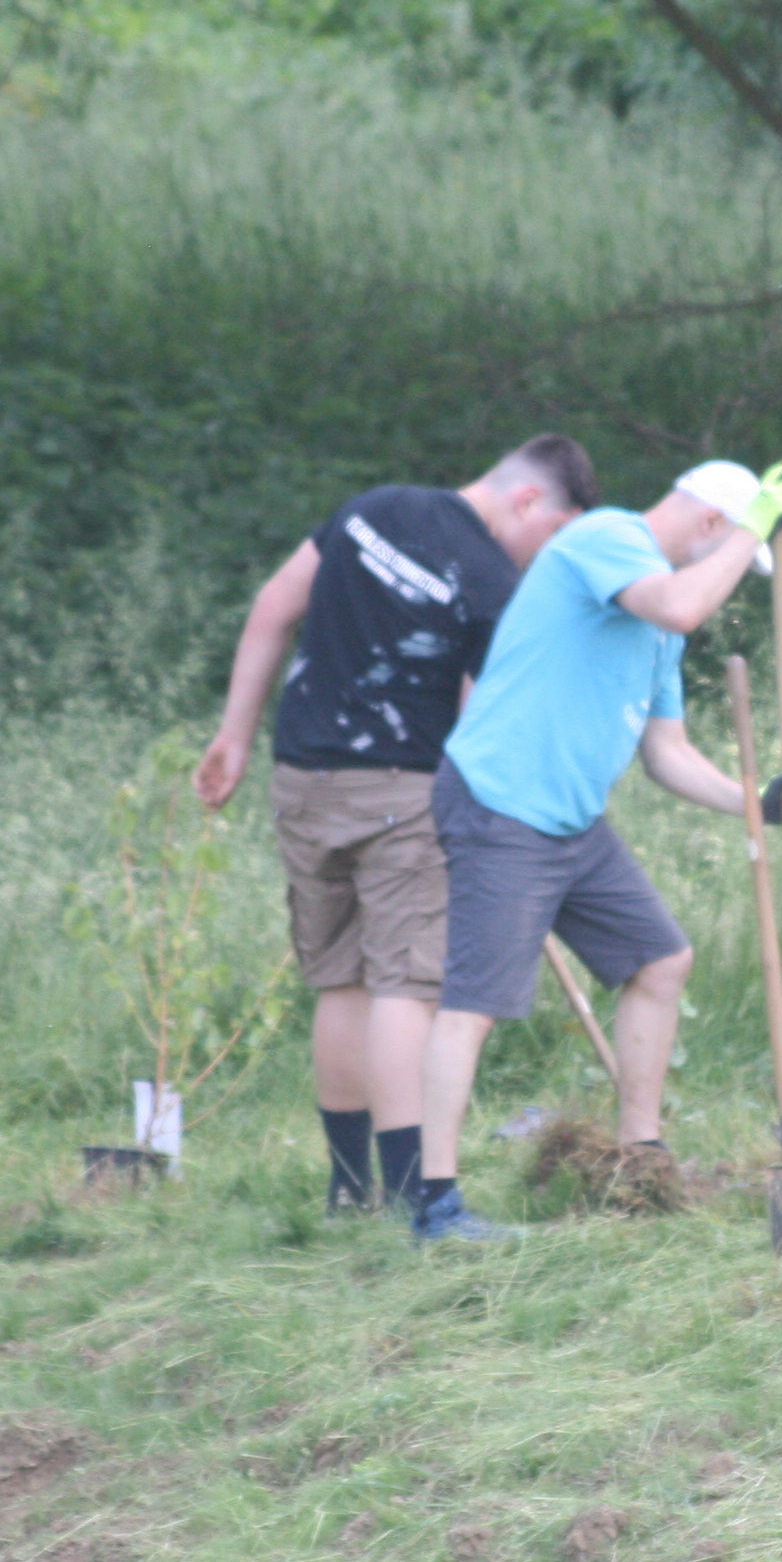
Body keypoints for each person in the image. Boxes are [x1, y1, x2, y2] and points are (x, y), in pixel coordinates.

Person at [402, 456, 782, 1242]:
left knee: (660, 960)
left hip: (571, 821)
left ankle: (639, 1158)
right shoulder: (606, 538)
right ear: (712, 524)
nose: (719, 572)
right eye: (725, 549)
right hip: (502, 801)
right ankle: (436, 1208)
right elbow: (685, 604)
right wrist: (758, 525)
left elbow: (668, 753)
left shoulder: (657, 626)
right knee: (475, 1004)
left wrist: (755, 802)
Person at [194, 436, 598, 1210]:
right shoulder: (489, 581)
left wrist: (234, 738)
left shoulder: (372, 509)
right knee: (405, 991)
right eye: (551, 534)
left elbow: (274, 608)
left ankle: (351, 1189)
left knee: (339, 983)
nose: (541, 555)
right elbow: (477, 723)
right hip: (401, 791)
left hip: (300, 777)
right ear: (527, 502)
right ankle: (418, 1193)